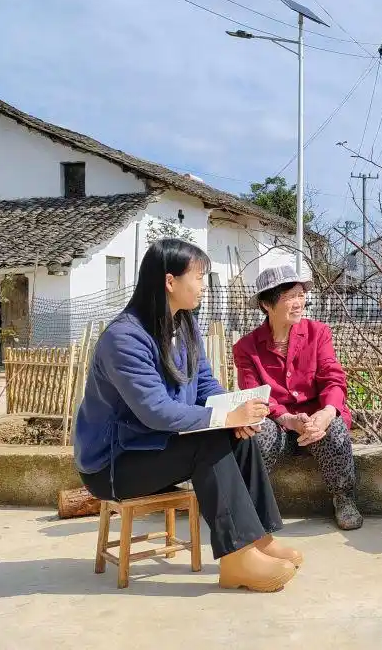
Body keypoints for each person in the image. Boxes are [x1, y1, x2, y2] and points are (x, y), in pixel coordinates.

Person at [73, 239, 299, 593]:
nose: (204, 285)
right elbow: (155, 411)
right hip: (114, 465)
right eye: (199, 276)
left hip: (154, 448)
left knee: (237, 435)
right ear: (170, 281)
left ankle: (260, 540)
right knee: (209, 440)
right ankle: (237, 559)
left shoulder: (186, 325)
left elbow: (206, 385)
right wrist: (222, 419)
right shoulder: (124, 339)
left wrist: (237, 411)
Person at [233, 265, 362, 531]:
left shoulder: (318, 333)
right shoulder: (246, 348)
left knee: (335, 425)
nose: (299, 303)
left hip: (314, 422)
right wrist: (288, 419)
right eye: (290, 296)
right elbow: (255, 395)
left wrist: (325, 414)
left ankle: (344, 497)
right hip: (278, 423)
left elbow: (333, 379)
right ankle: (251, 502)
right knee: (257, 431)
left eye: (301, 295)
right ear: (267, 304)